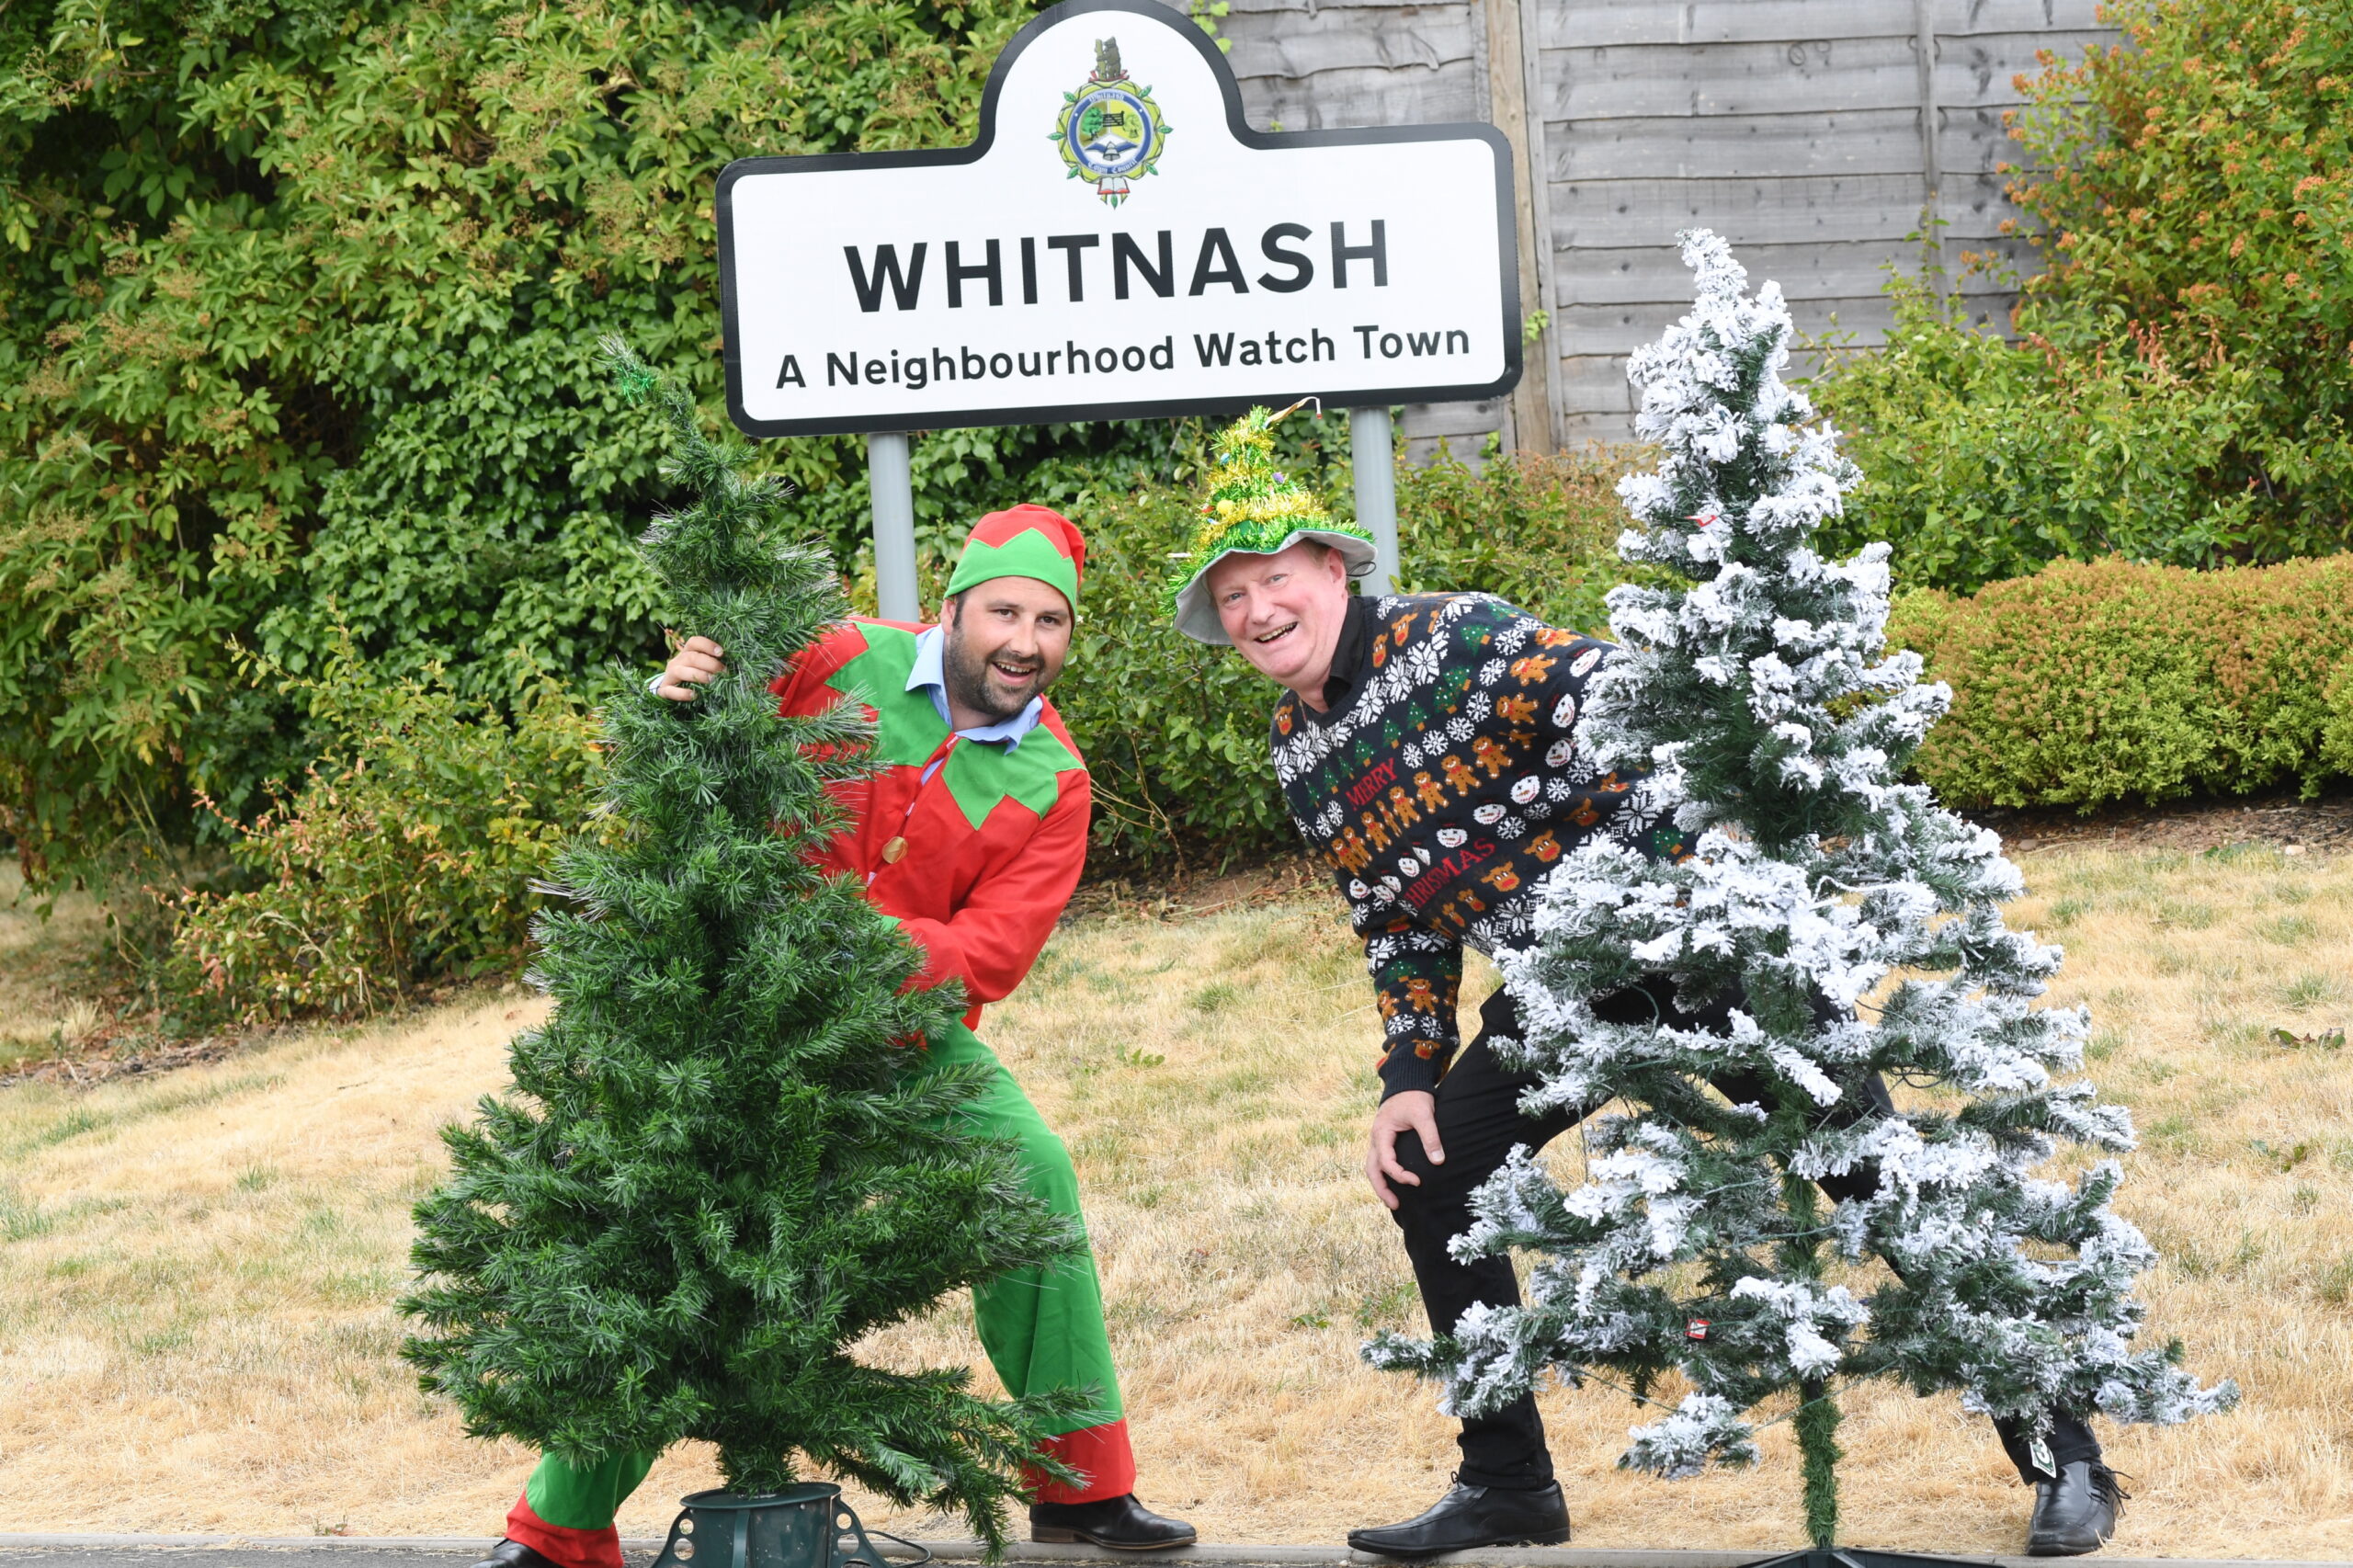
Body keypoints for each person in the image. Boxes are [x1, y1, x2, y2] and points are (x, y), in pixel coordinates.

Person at [1164, 409, 2127, 1559]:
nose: (1258, 610)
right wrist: (1407, 1075)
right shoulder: (1298, 742)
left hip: (1704, 945)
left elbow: (1626, 693)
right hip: (1569, 988)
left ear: (1332, 570)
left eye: (1275, 579)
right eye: (1233, 597)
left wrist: (1703, 850)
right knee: (1435, 1171)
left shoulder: (1457, 638)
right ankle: (1507, 1484)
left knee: (1876, 1178)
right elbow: (1395, 914)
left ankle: (2066, 1453)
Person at [472, 506, 1194, 1568]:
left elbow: (989, 955)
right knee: (679, 1233)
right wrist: (678, 697)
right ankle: (560, 1529)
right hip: (730, 1022)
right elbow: (705, 746)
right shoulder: (841, 656)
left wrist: (843, 941)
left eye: (1051, 622)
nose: (1024, 641)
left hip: (900, 1039)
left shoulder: (1055, 779)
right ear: (952, 608)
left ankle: (1080, 1487)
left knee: (1029, 1169)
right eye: (1003, 611)